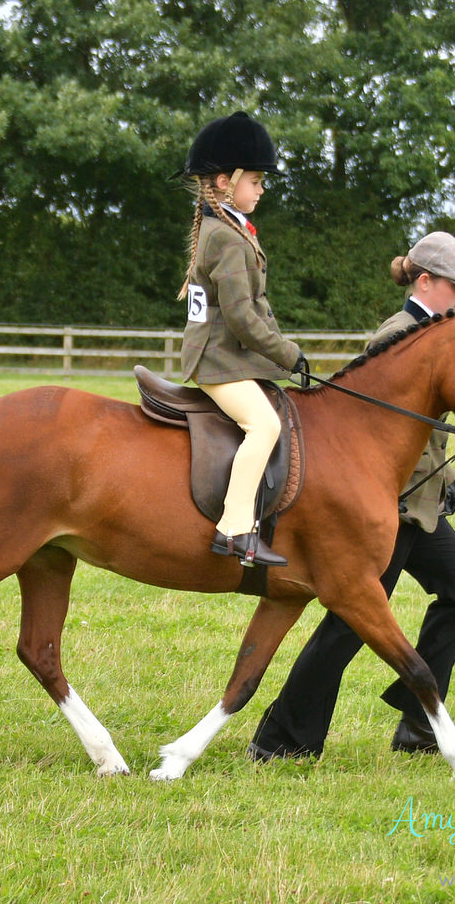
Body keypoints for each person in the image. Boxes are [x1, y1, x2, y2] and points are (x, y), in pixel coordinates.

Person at [247, 230, 455, 759]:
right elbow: (378, 432)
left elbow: (429, 430)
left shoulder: (443, 338)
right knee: (349, 625)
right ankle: (282, 740)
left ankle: (416, 720)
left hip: (418, 505)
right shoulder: (398, 333)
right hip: (384, 508)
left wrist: (446, 484)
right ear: (426, 283)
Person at [177, 112, 308, 568]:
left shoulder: (230, 230)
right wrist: (288, 354)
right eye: (255, 180)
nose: (261, 189)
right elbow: (241, 319)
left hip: (224, 355)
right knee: (265, 427)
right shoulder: (227, 239)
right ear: (223, 182)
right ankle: (233, 530)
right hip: (216, 361)